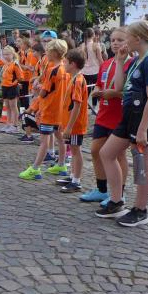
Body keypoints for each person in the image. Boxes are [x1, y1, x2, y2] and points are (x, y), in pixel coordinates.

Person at [97, 20, 148, 227]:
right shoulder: (137, 60)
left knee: (142, 165)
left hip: (144, 119)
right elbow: (120, 86)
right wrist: (120, 61)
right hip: (129, 116)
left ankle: (140, 210)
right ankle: (116, 202)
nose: (124, 41)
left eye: (126, 37)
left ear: (137, 38)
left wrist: (143, 129)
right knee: (106, 153)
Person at [80, 28, 131, 204]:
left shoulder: (131, 64)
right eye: (113, 40)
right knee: (95, 151)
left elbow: (130, 93)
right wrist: (97, 91)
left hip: (120, 116)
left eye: (120, 40)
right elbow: (100, 84)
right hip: (104, 114)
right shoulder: (106, 63)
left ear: (128, 42)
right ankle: (101, 190)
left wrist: (114, 94)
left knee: (118, 155)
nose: (115, 43)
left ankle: (119, 193)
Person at [19, 39, 69, 180]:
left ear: (54, 53)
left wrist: (32, 108)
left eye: (48, 50)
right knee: (60, 138)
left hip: (49, 110)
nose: (46, 53)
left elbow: (44, 93)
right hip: (60, 111)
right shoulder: (65, 69)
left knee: (44, 141)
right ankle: (61, 165)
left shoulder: (53, 70)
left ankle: (35, 169)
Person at [57, 49, 88, 193]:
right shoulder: (73, 78)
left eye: (65, 62)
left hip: (75, 125)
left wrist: (69, 127)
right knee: (74, 149)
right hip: (71, 124)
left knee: (75, 150)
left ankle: (76, 180)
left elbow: (77, 105)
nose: (63, 64)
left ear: (73, 64)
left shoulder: (78, 80)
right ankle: (72, 176)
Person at [0, 46, 22, 133]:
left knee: (13, 106)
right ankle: (8, 124)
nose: (6, 56)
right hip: (5, 87)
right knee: (7, 106)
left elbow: (20, 77)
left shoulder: (15, 64)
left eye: (8, 54)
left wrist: (14, 83)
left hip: (12, 87)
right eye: (4, 54)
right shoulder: (5, 64)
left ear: (12, 54)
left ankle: (15, 125)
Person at [81, 28, 104, 109]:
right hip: (95, 71)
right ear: (93, 35)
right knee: (95, 89)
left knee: (86, 89)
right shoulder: (96, 45)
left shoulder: (82, 45)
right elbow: (100, 59)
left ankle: (84, 105)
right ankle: (94, 107)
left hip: (84, 71)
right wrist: (104, 67)